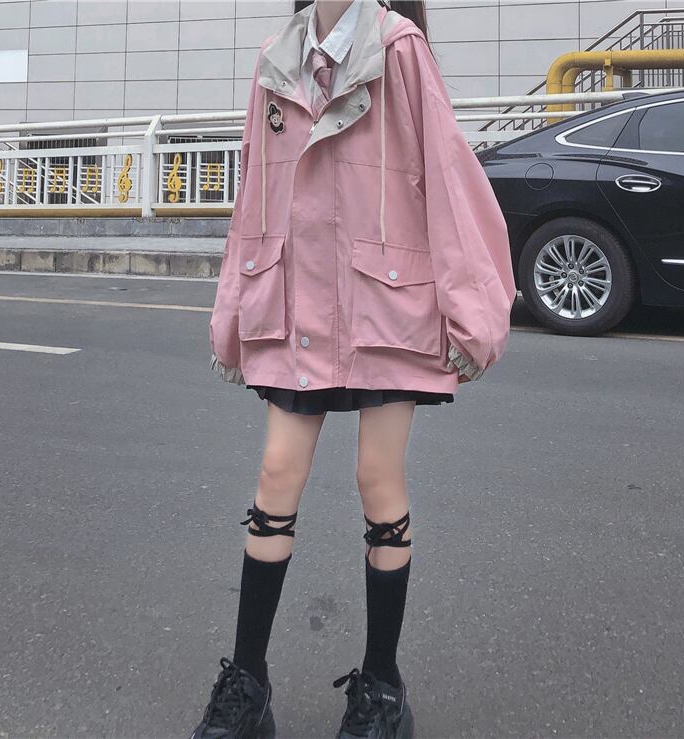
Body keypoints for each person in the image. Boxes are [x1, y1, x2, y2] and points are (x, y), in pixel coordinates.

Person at [192, 0, 516, 737]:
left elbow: (449, 178)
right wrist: (235, 310)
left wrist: (471, 314)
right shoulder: (277, 56)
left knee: (378, 480)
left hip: (385, 303)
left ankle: (382, 687)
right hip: (297, 301)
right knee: (276, 475)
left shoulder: (398, 47)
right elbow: (254, 192)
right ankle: (247, 683)